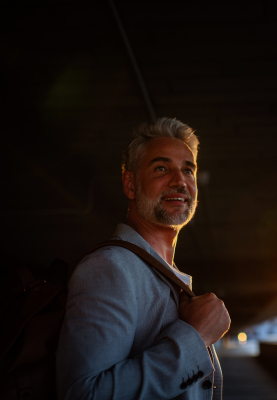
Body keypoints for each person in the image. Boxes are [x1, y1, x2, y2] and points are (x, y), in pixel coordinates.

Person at [56, 117, 230, 399]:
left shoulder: (164, 273)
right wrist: (195, 339)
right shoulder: (110, 267)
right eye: (162, 168)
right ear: (130, 184)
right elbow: (84, 394)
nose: (180, 181)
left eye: (188, 170)